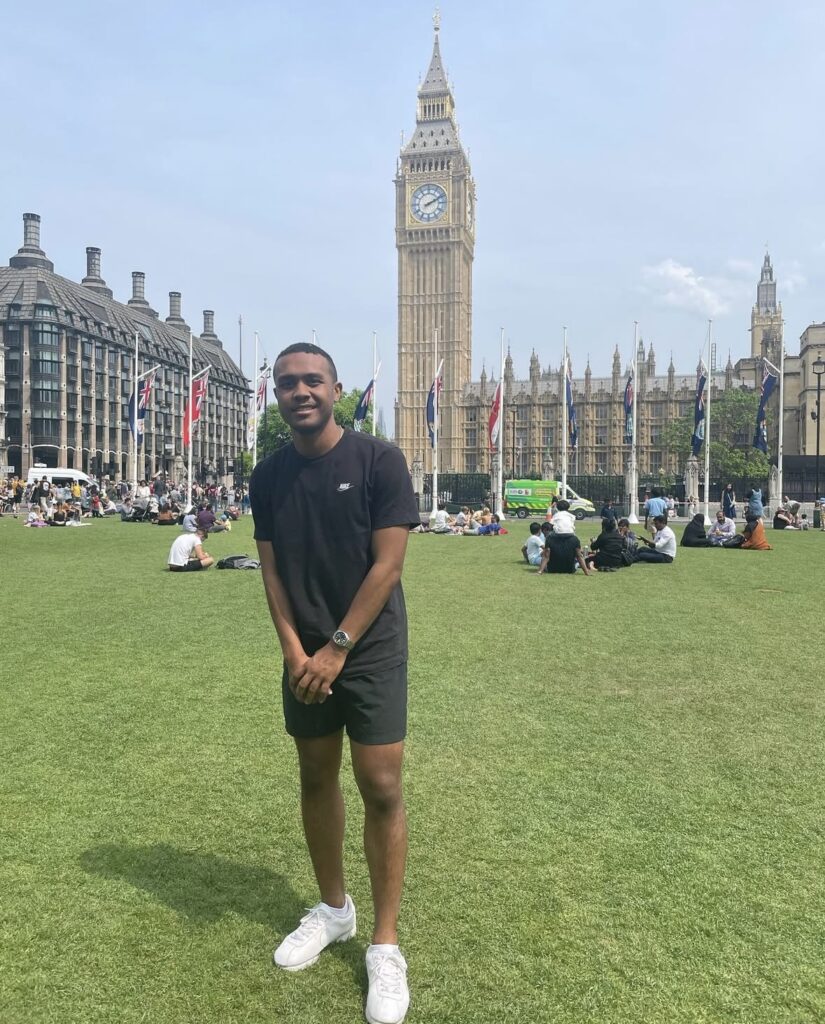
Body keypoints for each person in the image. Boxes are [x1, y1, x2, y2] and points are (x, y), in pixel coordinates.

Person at [250, 342, 419, 1024]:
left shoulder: (379, 461)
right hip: (306, 658)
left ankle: (384, 943)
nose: (300, 391)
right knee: (315, 778)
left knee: (380, 786)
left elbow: (388, 565)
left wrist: (336, 648)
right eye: (287, 383)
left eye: (311, 380)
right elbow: (270, 570)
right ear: (277, 394)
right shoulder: (268, 475)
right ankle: (333, 910)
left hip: (368, 650)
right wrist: (295, 650)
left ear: (336, 388)